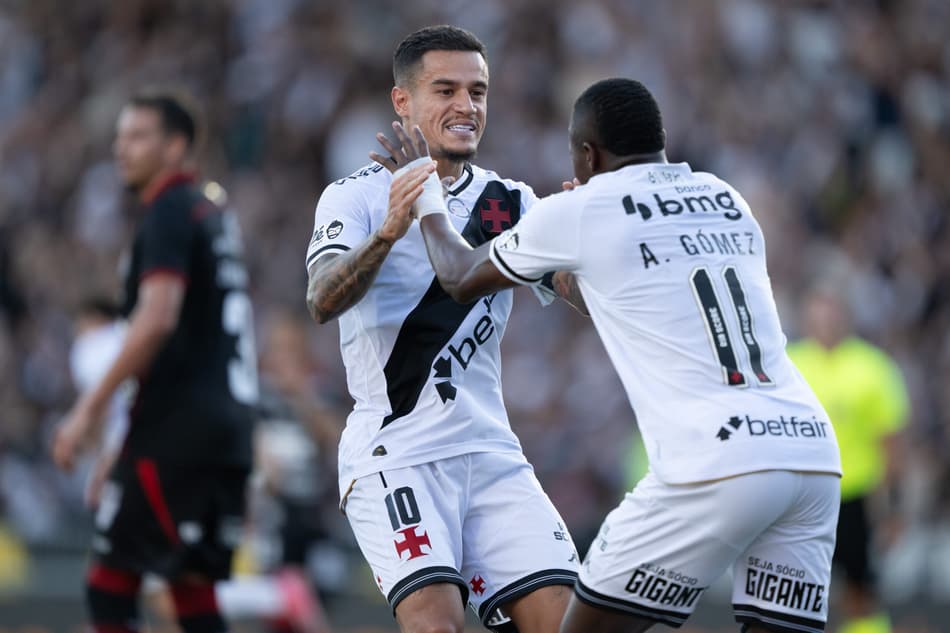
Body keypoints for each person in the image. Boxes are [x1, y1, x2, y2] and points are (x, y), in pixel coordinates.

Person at [385, 77, 843, 633]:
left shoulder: (582, 209)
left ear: (588, 154)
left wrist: (424, 192)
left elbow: (459, 276)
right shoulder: (726, 199)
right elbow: (634, 286)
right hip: (810, 451)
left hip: (715, 459)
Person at [304, 25, 578, 633]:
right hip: (397, 453)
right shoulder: (355, 198)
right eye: (446, 90)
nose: (466, 106)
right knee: (437, 624)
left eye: (477, 91)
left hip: (490, 453)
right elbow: (321, 300)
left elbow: (577, 293)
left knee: (565, 622)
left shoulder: (510, 201)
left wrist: (594, 239)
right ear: (402, 101)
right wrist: (386, 234)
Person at [52, 91, 259, 633]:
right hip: (225, 429)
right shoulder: (212, 216)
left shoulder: (169, 208)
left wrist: (88, 411)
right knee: (191, 588)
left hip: (177, 430)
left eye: (138, 136)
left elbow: (157, 318)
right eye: (120, 137)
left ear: (176, 146)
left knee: (109, 583)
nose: (121, 149)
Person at [787, 288, 909, 633]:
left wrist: (894, 508)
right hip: (800, 497)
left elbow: (891, 442)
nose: (825, 321)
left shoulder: (872, 367)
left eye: (831, 312)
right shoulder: (790, 364)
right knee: (791, 589)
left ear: (846, 317)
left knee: (859, 592)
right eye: (817, 313)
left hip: (853, 496)